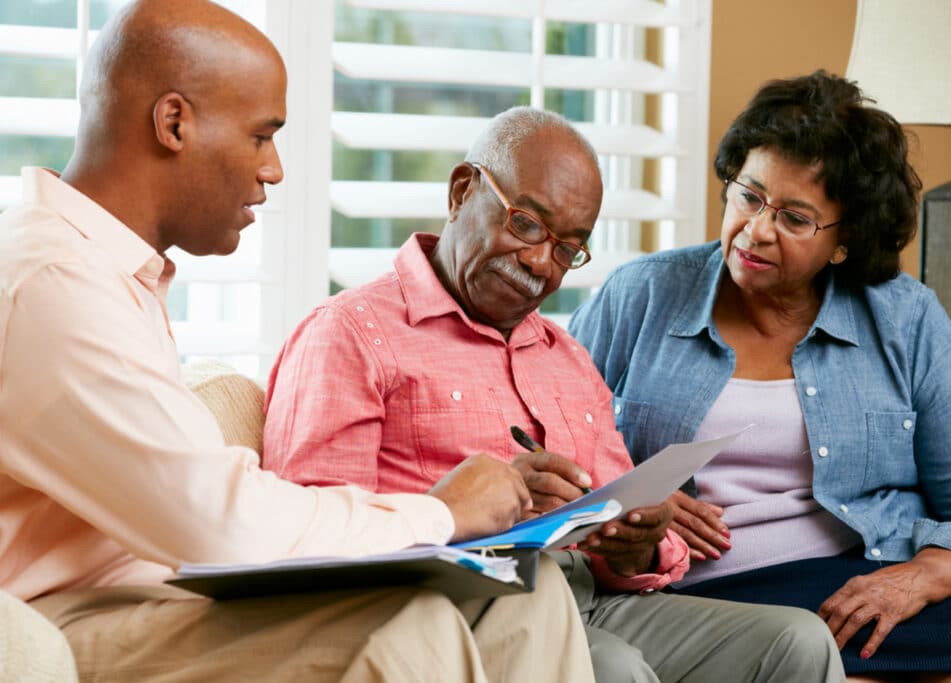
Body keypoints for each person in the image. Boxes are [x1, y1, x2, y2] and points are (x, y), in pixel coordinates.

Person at [0, 2, 597, 681]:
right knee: (415, 626)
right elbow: (216, 520)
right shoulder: (49, 280)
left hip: (157, 593)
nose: (275, 169)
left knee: (527, 591)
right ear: (174, 123)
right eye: (261, 136)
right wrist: (438, 511)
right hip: (63, 619)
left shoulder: (113, 272)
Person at [263, 105, 846, 683]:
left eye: (567, 248)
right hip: (458, 610)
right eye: (525, 224)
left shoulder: (565, 356)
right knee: (613, 669)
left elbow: (636, 531)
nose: (541, 263)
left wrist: (637, 543)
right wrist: (474, 510)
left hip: (591, 597)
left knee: (798, 641)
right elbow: (307, 536)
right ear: (462, 191)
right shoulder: (350, 333)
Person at [569, 70, 951, 682]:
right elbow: (542, 445)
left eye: (795, 218)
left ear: (845, 240)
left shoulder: (903, 317)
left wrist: (923, 576)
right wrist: (628, 499)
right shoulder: (643, 293)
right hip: (695, 597)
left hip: (863, 584)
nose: (757, 230)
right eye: (749, 196)